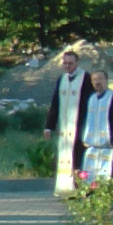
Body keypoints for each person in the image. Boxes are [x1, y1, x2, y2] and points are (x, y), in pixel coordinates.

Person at [43, 49, 89, 196]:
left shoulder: (85, 78)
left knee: (78, 157)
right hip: (64, 128)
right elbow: (55, 104)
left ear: (77, 63)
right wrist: (49, 126)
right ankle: (65, 188)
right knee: (64, 156)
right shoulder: (61, 79)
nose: (67, 66)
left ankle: (79, 187)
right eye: (65, 63)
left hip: (79, 127)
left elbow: (88, 104)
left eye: (70, 63)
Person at [77, 70, 113, 181]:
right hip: (94, 146)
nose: (97, 82)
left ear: (106, 80)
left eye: (100, 79)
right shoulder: (91, 99)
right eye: (94, 80)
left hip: (111, 146)